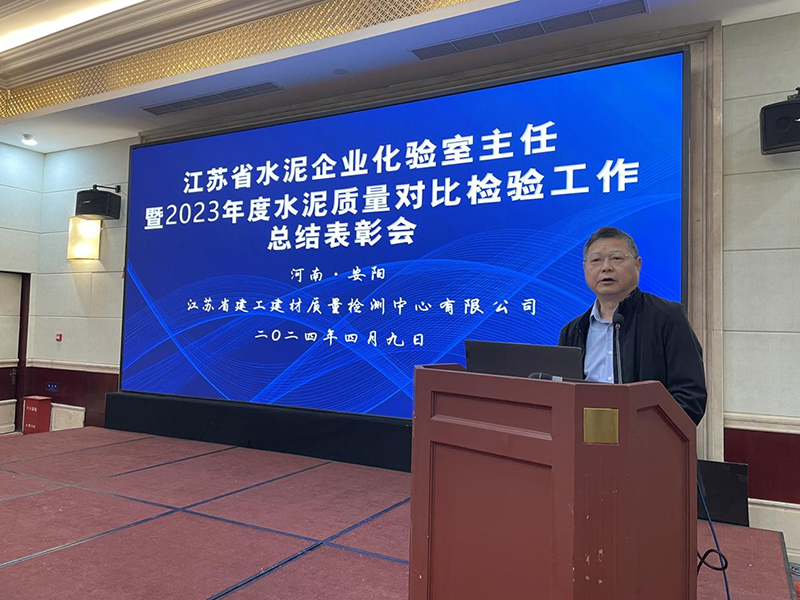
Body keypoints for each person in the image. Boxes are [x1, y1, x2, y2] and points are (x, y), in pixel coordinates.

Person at [558, 226, 706, 425]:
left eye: (616, 258)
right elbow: (563, 397)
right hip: (586, 438)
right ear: (585, 268)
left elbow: (690, 396)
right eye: (596, 260)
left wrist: (644, 432)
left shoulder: (668, 317)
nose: (606, 267)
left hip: (647, 439)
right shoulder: (573, 331)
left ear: (637, 264)